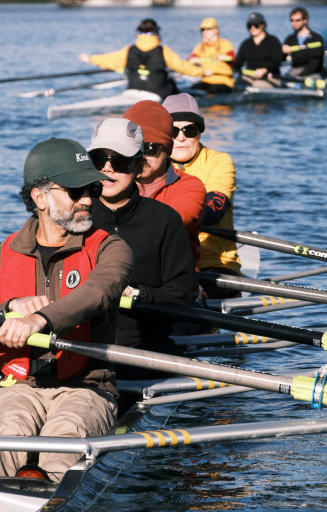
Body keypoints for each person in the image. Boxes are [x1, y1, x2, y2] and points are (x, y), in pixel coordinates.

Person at [0, 137, 133, 482]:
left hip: (88, 387)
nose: (87, 199)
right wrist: (10, 307)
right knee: (7, 432)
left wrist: (39, 319)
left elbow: (97, 293)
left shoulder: (112, 248)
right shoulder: (0, 253)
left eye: (92, 188)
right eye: (75, 190)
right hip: (18, 386)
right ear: (40, 197)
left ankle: (44, 489)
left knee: (64, 436)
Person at [86, 118, 199, 379]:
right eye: (99, 159)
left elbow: (183, 292)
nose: (108, 169)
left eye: (120, 161)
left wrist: (138, 294)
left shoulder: (164, 220)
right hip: (79, 348)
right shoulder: (78, 214)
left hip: (143, 350)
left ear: (139, 166)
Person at [162, 93, 242, 299]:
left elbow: (215, 209)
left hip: (214, 264)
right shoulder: (149, 163)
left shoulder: (219, 161)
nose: (180, 137)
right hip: (164, 261)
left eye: (189, 130)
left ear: (199, 133)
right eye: (173, 130)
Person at [122, 100, 207, 269]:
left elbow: (165, 228)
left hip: (173, 285)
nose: (141, 157)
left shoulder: (189, 187)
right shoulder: (111, 183)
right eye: (134, 149)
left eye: (150, 148)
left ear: (167, 150)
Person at [79, 18, 206, 100]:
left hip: (132, 90)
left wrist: (90, 58)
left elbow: (109, 60)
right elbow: (184, 68)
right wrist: (204, 71)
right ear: (157, 33)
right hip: (157, 94)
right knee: (175, 86)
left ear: (138, 34)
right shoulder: (163, 51)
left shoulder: (129, 50)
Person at [233, 12, 284, 88]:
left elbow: (277, 60)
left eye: (256, 25)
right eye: (249, 25)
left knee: (256, 85)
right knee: (237, 84)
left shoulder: (273, 41)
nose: (252, 28)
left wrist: (264, 70)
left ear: (263, 25)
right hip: (249, 76)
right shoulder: (246, 44)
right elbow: (238, 64)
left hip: (270, 77)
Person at [187, 17, 236, 94]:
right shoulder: (199, 48)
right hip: (205, 80)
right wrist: (192, 60)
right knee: (189, 92)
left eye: (208, 29)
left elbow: (232, 58)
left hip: (223, 81)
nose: (205, 32)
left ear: (216, 30)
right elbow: (189, 60)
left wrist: (226, 58)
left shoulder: (225, 44)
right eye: (203, 30)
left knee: (213, 91)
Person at [282, 6, 326, 77]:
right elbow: (281, 59)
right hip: (294, 71)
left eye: (297, 20)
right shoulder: (290, 39)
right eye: (292, 20)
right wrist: (281, 52)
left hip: (312, 73)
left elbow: (315, 63)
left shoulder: (316, 39)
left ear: (305, 20)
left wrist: (300, 76)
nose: (294, 23)